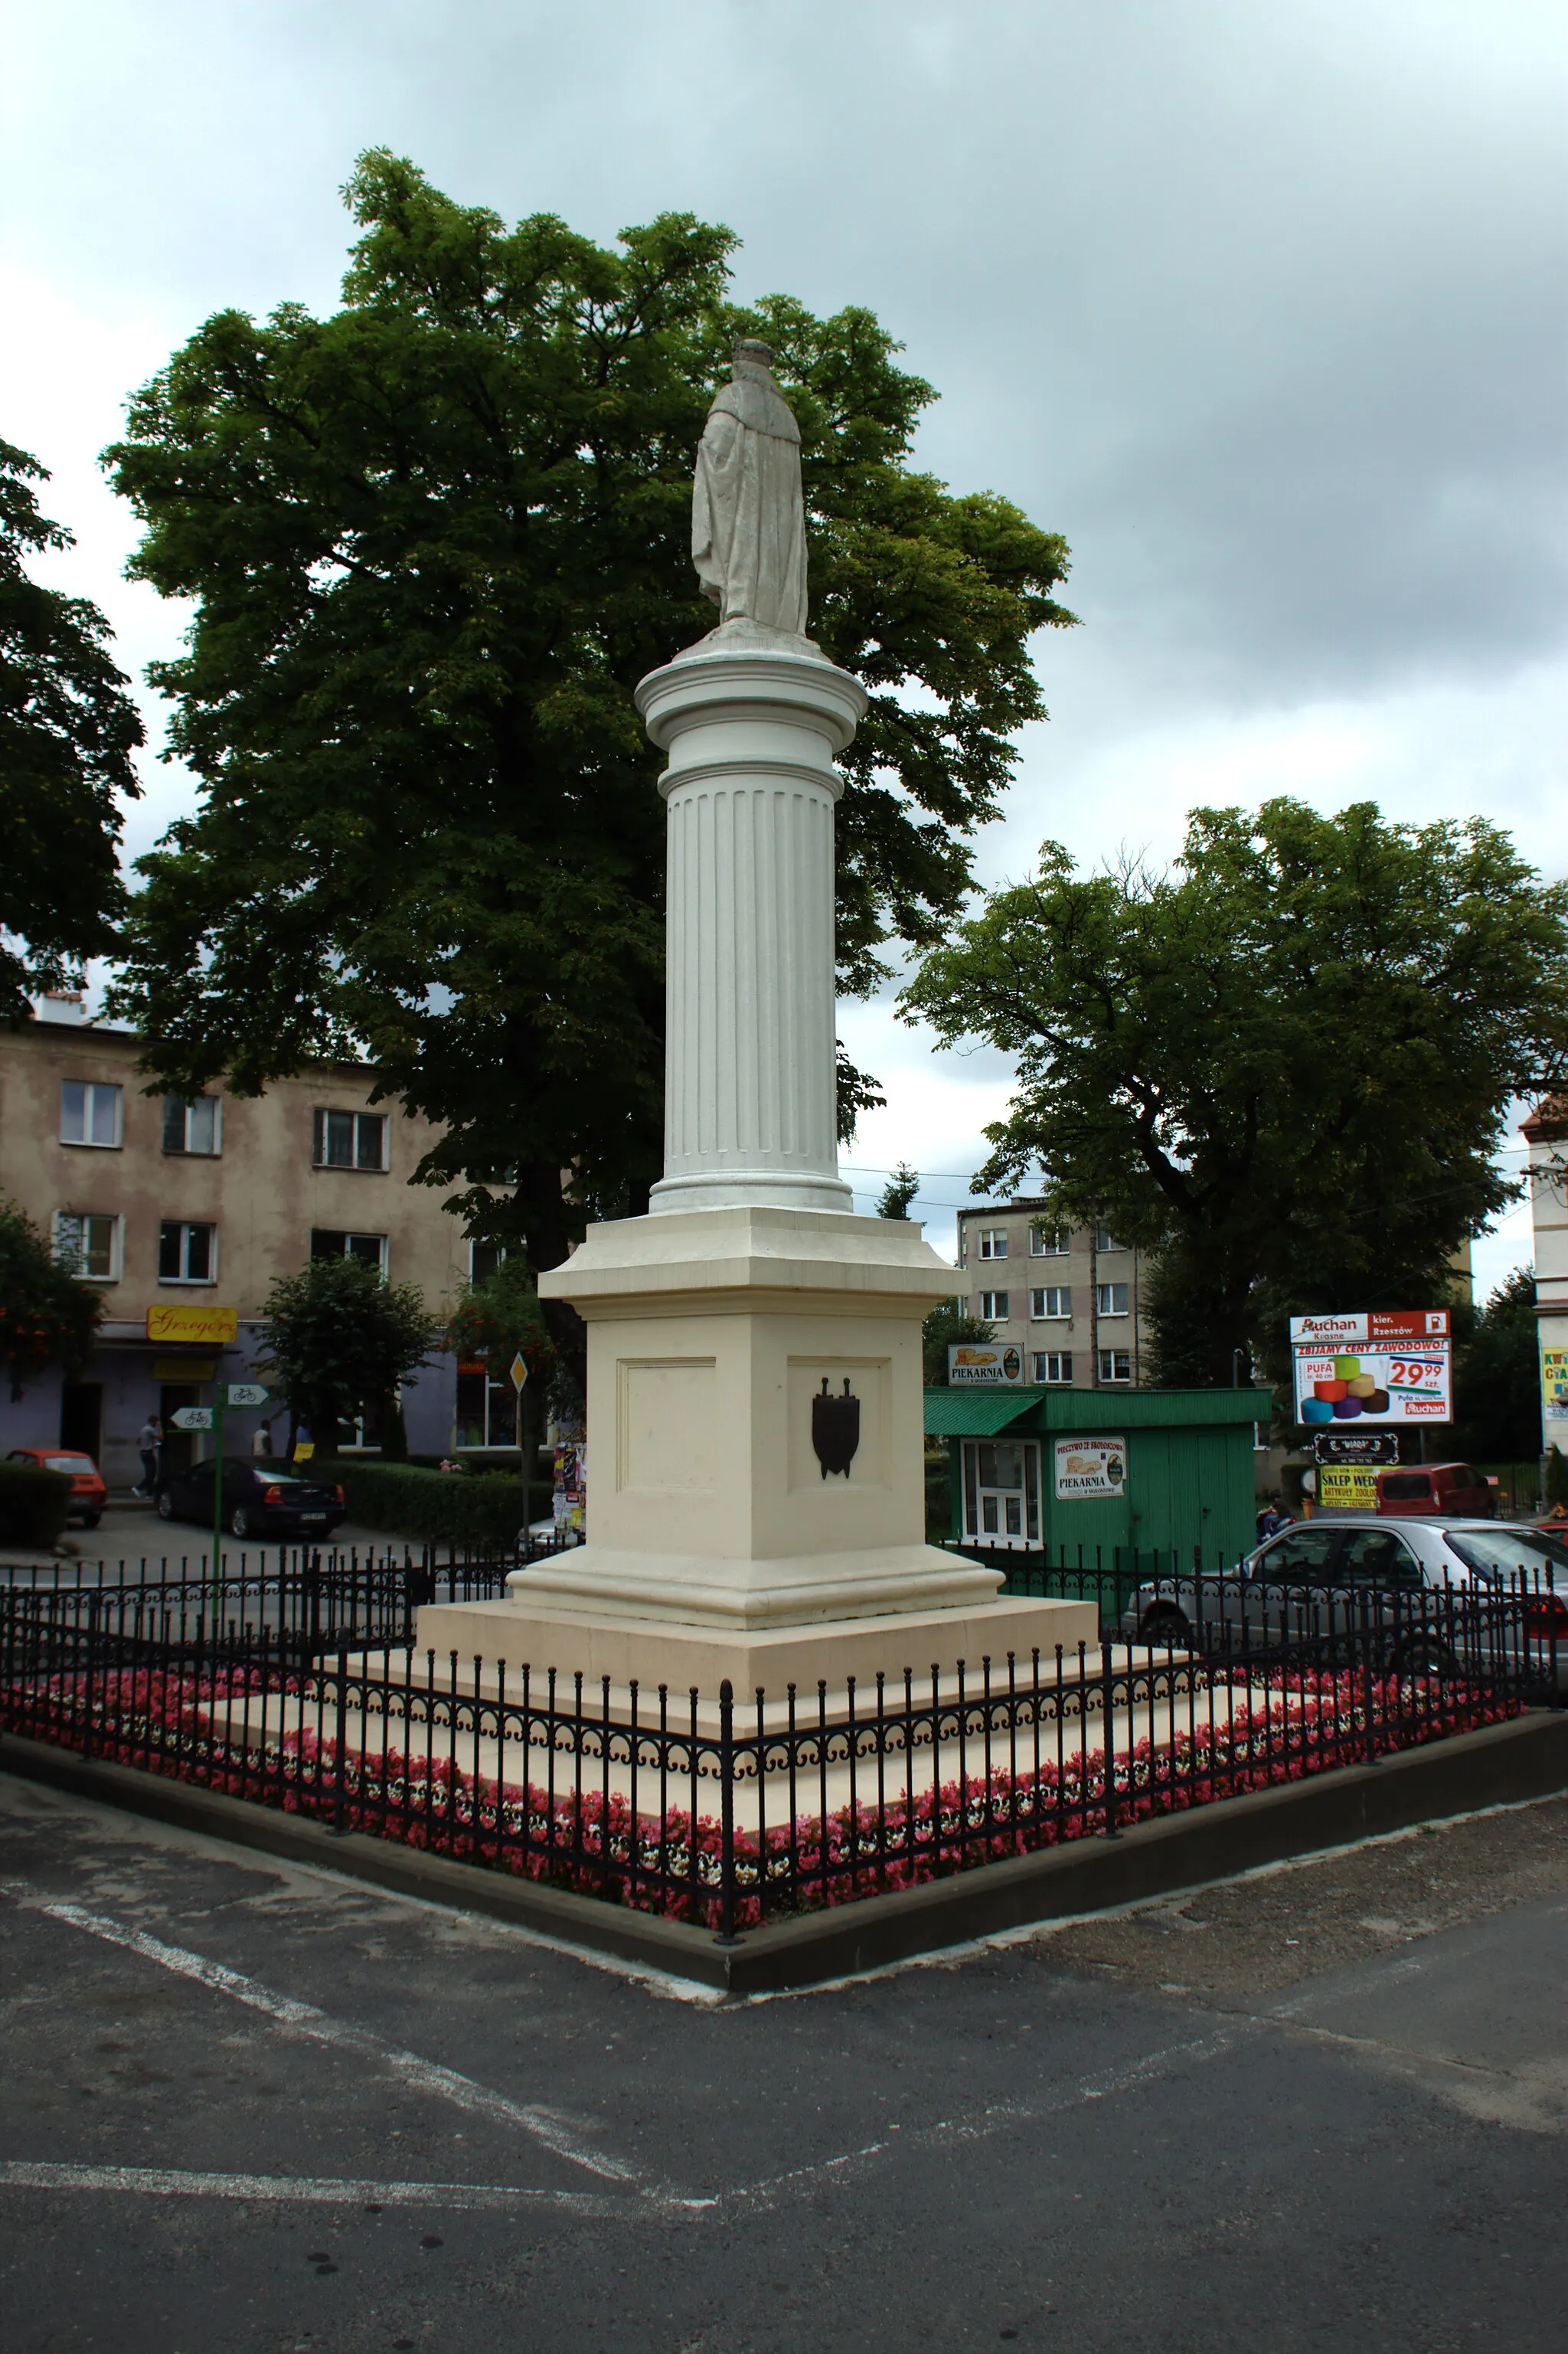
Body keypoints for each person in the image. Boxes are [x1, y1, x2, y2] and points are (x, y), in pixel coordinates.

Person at [135, 1413, 162, 1498]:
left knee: (151, 1473)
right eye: (156, 1422)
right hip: (148, 1453)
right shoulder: (150, 1429)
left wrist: (148, 1445)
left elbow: (138, 1441)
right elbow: (161, 1437)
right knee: (151, 1474)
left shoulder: (143, 1429)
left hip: (144, 1453)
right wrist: (160, 1426)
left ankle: (149, 1493)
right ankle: (138, 1488)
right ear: (153, 1422)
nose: (156, 1424)